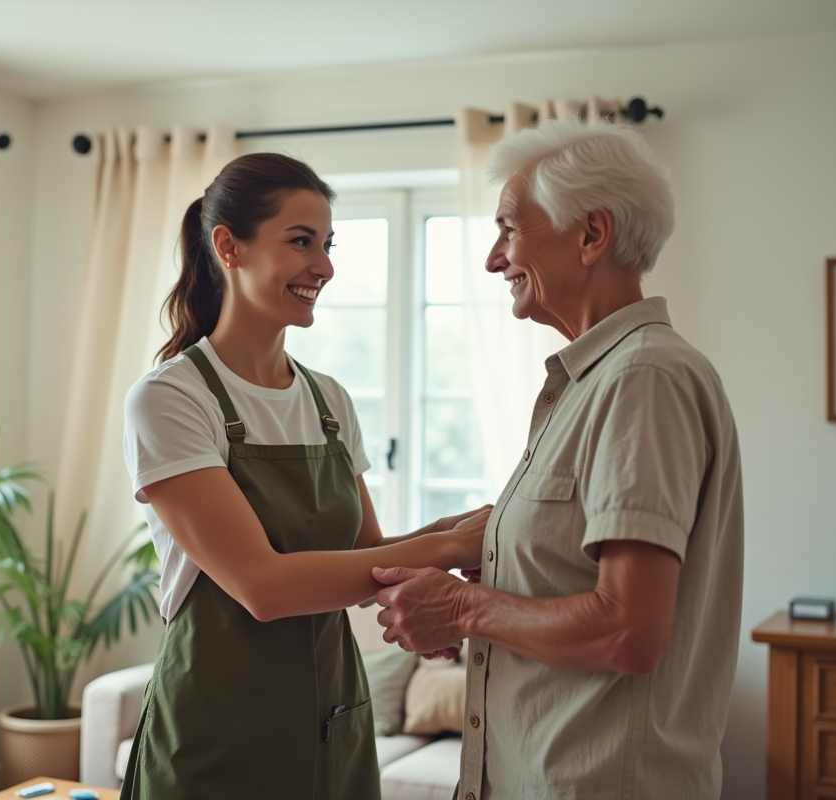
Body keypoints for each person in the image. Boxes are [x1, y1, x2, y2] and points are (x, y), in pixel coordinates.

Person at [373, 120, 744, 800]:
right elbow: (565, 571)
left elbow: (628, 629)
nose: (492, 258)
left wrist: (460, 609)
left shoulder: (644, 377)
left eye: (509, 228)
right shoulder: (592, 383)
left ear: (591, 234)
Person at [120, 152, 489, 800]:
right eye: (301, 242)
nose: (324, 266)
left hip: (333, 723)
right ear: (228, 247)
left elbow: (365, 558)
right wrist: (451, 546)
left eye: (327, 243)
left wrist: (471, 526)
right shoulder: (171, 399)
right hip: (217, 738)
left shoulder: (328, 402)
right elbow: (262, 586)